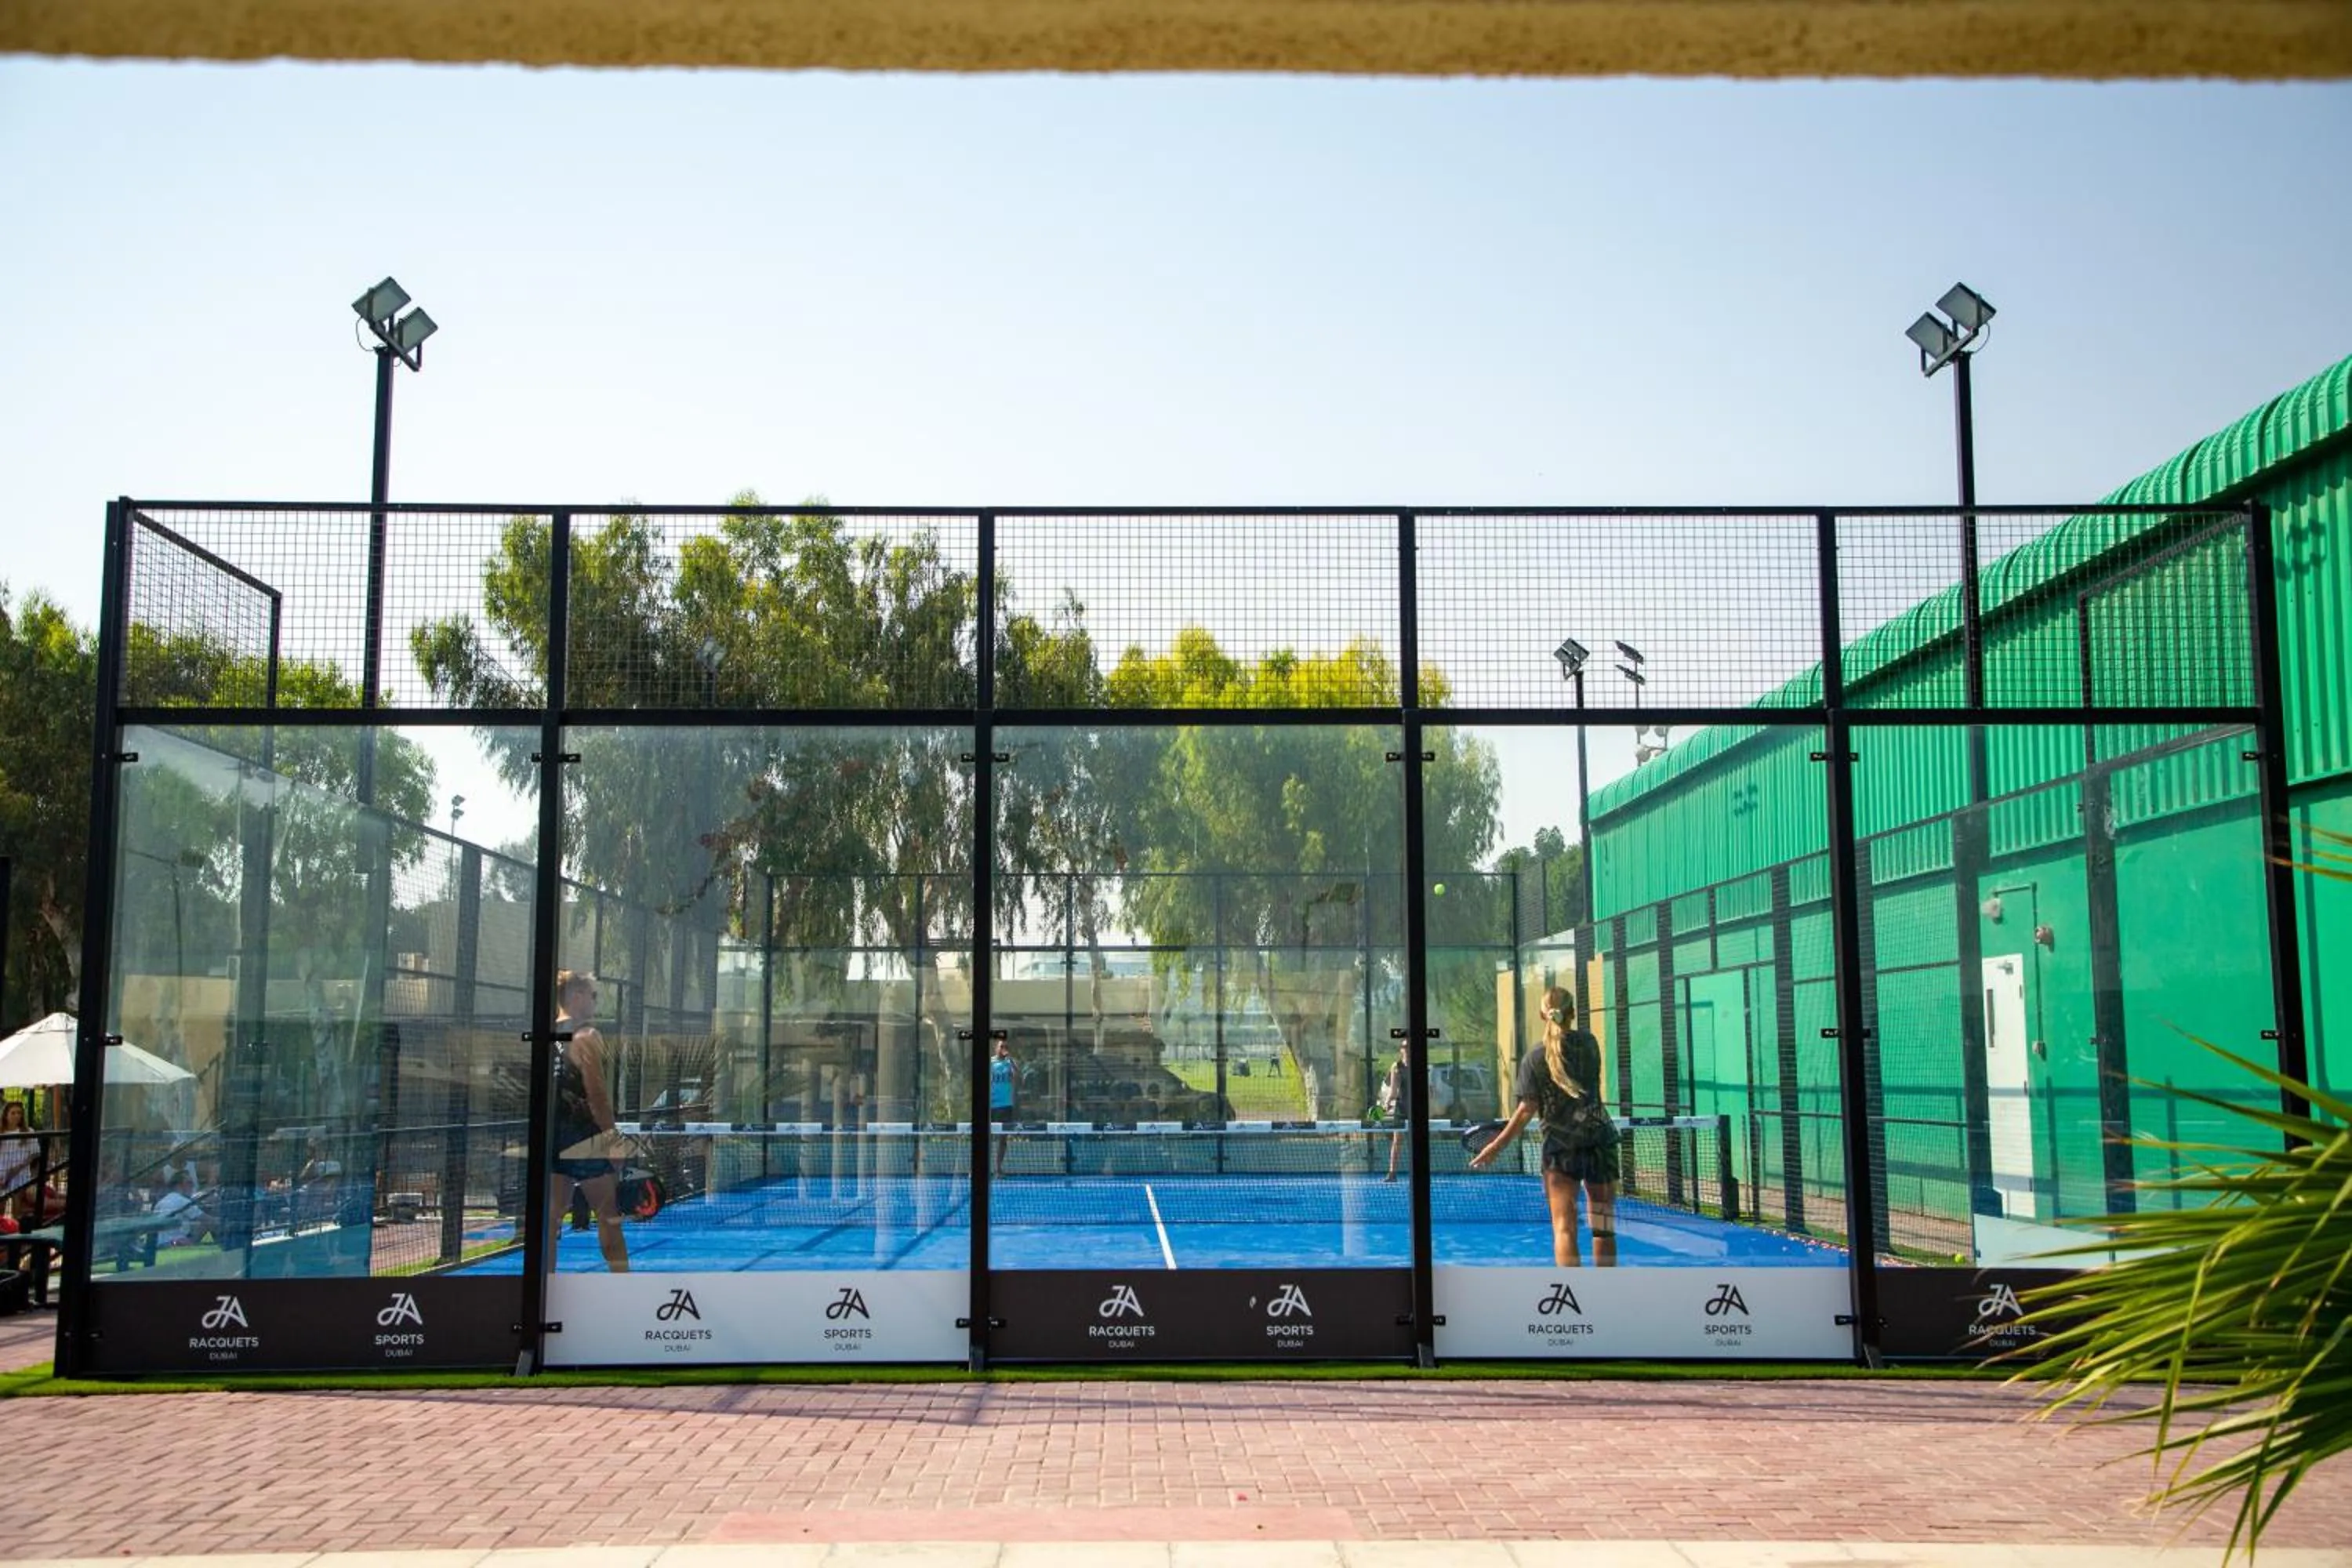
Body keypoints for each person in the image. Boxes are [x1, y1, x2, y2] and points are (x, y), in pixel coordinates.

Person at [1471, 985, 1621, 1266]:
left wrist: (1495, 1146)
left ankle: (1571, 1300)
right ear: (1573, 1013)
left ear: (1543, 1015)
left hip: (1561, 1154)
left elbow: (1526, 1110)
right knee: (1603, 1228)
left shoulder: (1533, 1059)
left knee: (1564, 1228)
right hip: (1600, 1146)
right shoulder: (1590, 1045)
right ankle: (1608, 1297)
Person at [550, 970, 630, 1272]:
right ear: (577, 996)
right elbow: (596, 1094)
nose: (595, 1003)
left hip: (552, 1135)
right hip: (583, 1137)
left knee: (551, 1219)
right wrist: (612, 1140)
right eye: (593, 995)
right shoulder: (587, 1036)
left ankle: (547, 1291)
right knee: (609, 1215)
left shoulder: (545, 1033)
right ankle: (623, 1288)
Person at [1381, 1037, 1413, 1182]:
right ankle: (1392, 1173)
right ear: (1401, 1050)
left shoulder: (1420, 1064)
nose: (1406, 1049)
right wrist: (1387, 1103)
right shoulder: (1396, 1067)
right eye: (1404, 1047)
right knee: (1397, 1141)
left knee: (1416, 1141)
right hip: (1401, 1107)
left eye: (1409, 1046)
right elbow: (1393, 1090)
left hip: (1416, 1108)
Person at [0, 1102, 38, 1223]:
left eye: (19, 1113)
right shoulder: (2, 1132)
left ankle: (16, 1238)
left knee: (17, 1212)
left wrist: (19, 1167)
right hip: (1, 1174)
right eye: (13, 1113)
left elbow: (34, 1154)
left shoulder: (28, 1131)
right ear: (6, 1115)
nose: (17, 1116)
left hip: (21, 1175)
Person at [152, 1168, 208, 1247]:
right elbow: (207, 1220)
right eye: (189, 1183)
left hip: (159, 1244)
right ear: (178, 1185)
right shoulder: (183, 1202)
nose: (193, 1186)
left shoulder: (161, 1202)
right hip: (175, 1244)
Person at [988, 1036, 1018, 1177]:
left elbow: (1018, 1076)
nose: (1004, 1049)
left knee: (1002, 1139)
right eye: (1001, 1046)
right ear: (996, 1048)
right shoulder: (990, 1063)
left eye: (1006, 1047)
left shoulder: (1010, 1063)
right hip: (991, 1105)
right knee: (985, 1137)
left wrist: (1011, 1060)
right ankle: (980, 1168)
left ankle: (998, 1169)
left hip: (1006, 1105)